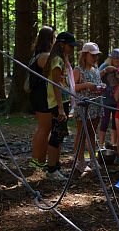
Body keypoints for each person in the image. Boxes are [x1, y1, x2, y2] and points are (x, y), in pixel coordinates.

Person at [44, 31, 78, 180]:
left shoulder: (61, 59)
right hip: (57, 103)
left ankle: (56, 166)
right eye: (70, 46)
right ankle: (51, 169)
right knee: (56, 135)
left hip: (62, 102)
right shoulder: (57, 60)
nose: (72, 49)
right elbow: (55, 84)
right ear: (62, 44)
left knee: (60, 135)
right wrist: (59, 108)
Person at [73, 42, 104, 173]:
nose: (95, 58)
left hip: (95, 105)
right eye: (93, 55)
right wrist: (86, 85)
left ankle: (92, 159)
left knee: (92, 132)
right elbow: (73, 87)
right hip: (83, 106)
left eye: (96, 55)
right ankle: (79, 160)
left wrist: (101, 87)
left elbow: (97, 84)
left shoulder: (96, 69)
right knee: (82, 134)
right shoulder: (78, 70)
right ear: (85, 55)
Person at [28, 26, 56, 169]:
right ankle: (38, 160)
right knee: (45, 128)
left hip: (38, 95)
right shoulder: (44, 56)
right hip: (42, 96)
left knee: (42, 128)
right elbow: (54, 73)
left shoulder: (36, 54)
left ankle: (37, 159)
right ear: (50, 39)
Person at [98, 48, 119, 149]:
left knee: (116, 122)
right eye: (116, 61)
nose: (118, 63)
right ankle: (101, 145)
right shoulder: (105, 66)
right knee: (104, 121)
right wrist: (105, 71)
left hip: (118, 99)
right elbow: (96, 76)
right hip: (106, 99)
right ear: (111, 59)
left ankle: (113, 144)